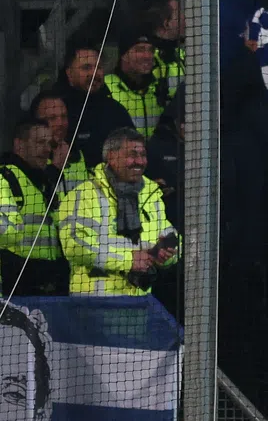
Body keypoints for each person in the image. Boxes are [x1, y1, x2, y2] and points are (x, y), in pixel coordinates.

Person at [55, 128, 180, 296]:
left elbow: (171, 235)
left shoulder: (151, 194)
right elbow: (75, 247)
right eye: (132, 155)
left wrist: (166, 251)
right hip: (93, 303)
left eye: (143, 155)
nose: (140, 161)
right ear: (112, 157)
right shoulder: (84, 195)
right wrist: (129, 261)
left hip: (139, 301)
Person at [0, 117, 69, 296]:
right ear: (19, 145)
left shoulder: (45, 182)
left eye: (50, 144)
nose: (47, 150)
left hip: (51, 281)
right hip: (17, 285)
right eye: (40, 142)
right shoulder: (6, 178)